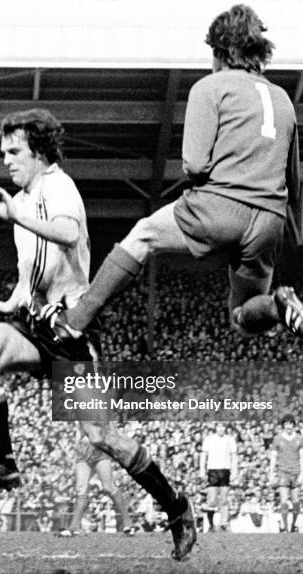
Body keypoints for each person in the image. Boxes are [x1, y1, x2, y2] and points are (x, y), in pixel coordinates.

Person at [0, 108, 195, 560]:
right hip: (36, 324)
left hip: (71, 331)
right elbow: (34, 269)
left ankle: (176, 506)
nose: (7, 160)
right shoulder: (25, 199)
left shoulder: (58, 186)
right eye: (3, 152)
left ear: (40, 152)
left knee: (102, 437)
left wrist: (15, 216)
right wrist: (11, 302)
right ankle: (5, 465)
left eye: (15, 152)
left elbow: (68, 235)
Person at [40, 4, 302, 340]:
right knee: (243, 318)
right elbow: (294, 187)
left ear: (219, 51)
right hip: (269, 221)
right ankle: (278, 308)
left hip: (219, 207)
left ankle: (74, 322)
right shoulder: (282, 99)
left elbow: (194, 164)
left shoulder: (209, 87)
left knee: (143, 234)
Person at [59, 427, 137, 536]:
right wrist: (76, 445)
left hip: (99, 450)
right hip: (83, 450)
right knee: (81, 489)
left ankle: (128, 523)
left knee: (109, 487)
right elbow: (79, 429)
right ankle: (74, 527)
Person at [199, 422, 238, 532]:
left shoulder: (230, 439)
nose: (221, 428)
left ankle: (224, 523)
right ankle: (211, 524)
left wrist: (235, 471)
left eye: (223, 426)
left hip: (225, 470)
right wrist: (202, 469)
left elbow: (234, 456)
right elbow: (203, 455)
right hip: (213, 471)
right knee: (211, 501)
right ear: (216, 427)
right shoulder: (209, 439)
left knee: (224, 499)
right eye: (219, 426)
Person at [269, 414, 303, 532]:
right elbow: (273, 457)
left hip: (296, 473)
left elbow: (302, 457)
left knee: (296, 502)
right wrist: (271, 472)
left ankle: (293, 524)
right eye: (286, 424)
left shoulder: (299, 438)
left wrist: (302, 474)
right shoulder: (277, 439)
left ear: (294, 425)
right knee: (283, 501)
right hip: (283, 472)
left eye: (291, 424)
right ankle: (285, 527)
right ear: (283, 425)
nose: (288, 426)